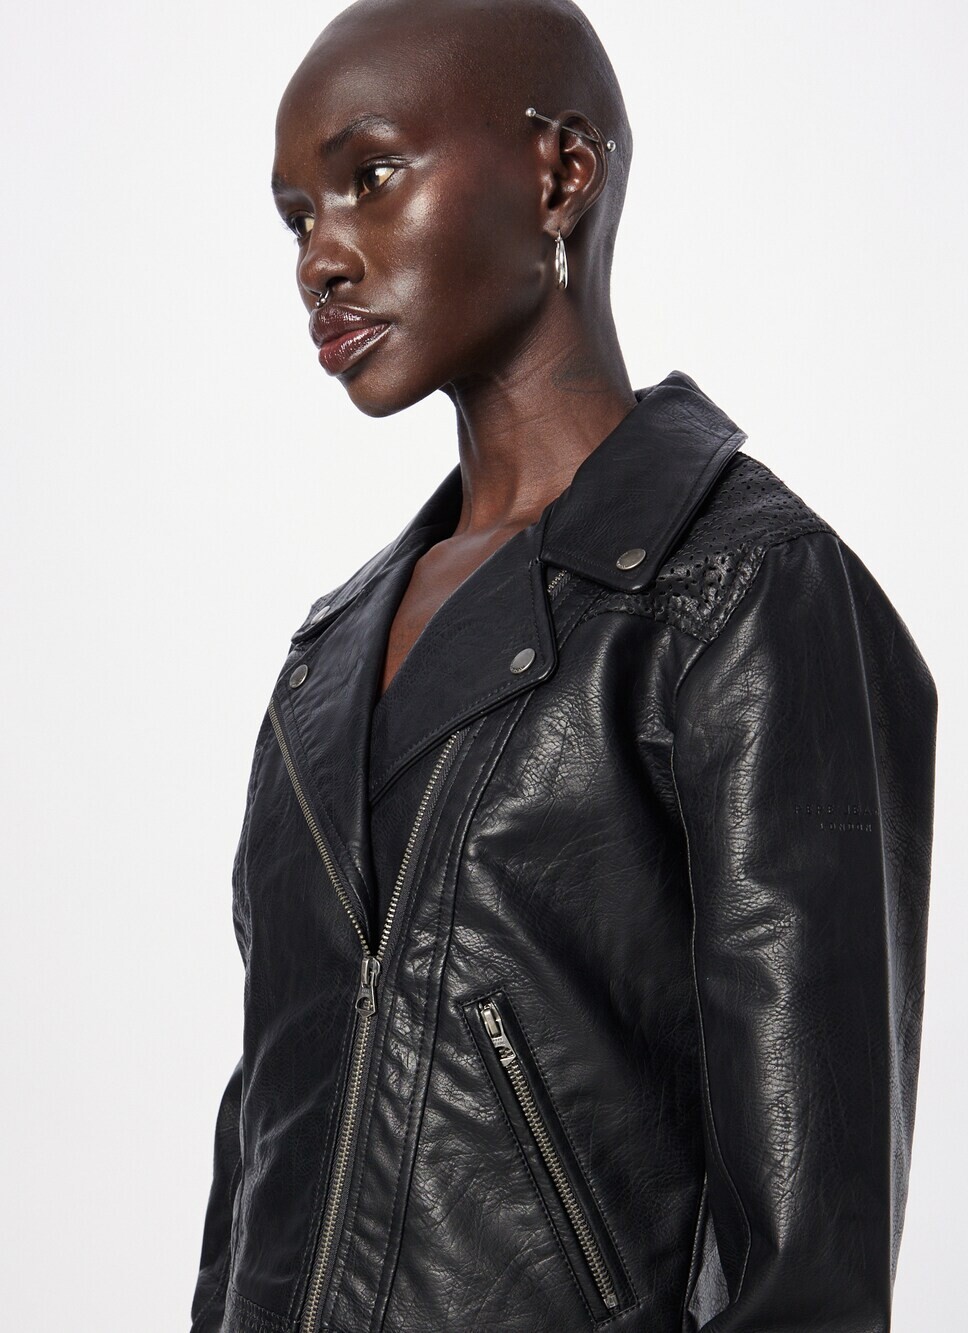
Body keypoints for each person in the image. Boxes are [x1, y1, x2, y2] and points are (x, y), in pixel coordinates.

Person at [190, 1, 938, 1329]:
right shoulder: (326, 659)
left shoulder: (743, 593)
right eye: (297, 218)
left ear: (560, 173)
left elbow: (812, 1270)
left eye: (371, 176)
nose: (320, 257)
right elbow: (256, 1158)